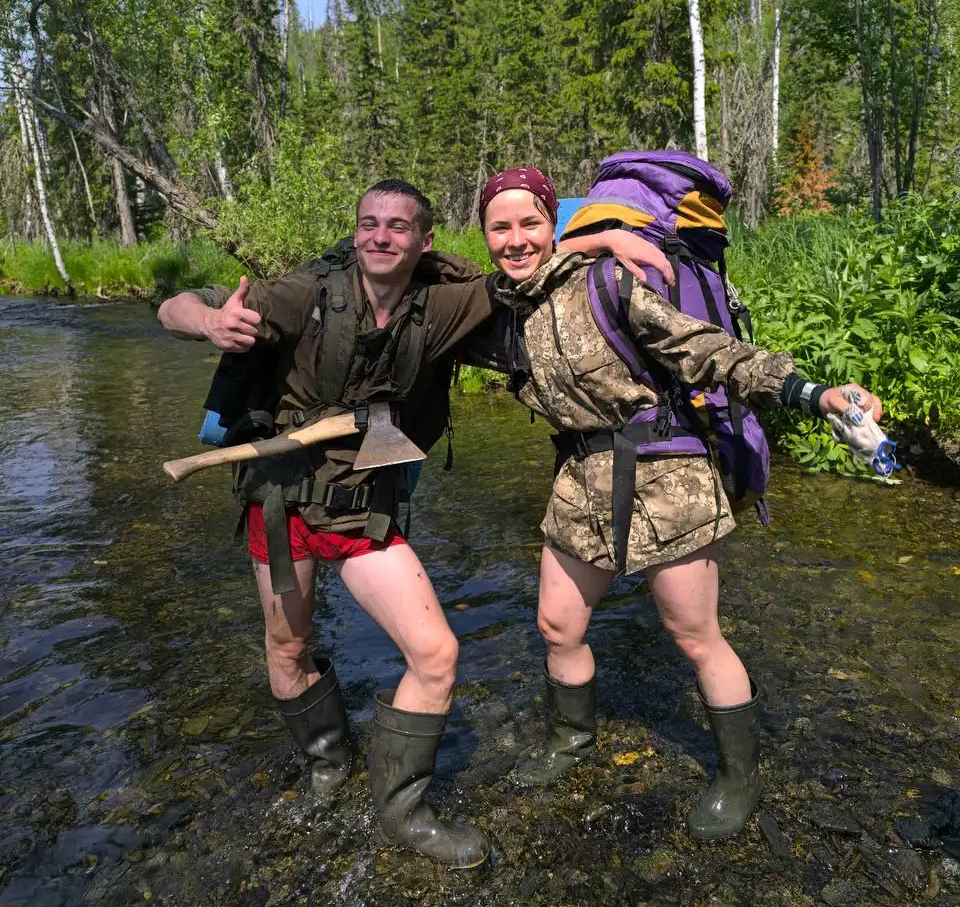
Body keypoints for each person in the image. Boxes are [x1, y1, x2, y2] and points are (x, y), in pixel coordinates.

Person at [158, 178, 669, 868]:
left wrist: (601, 237)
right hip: (279, 506)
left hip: (360, 510)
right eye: (369, 223)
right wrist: (208, 323)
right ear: (356, 231)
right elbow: (174, 307)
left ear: (424, 240)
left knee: (436, 655)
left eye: (398, 226)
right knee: (286, 647)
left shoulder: (447, 303)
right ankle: (327, 765)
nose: (380, 236)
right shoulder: (305, 294)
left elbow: (524, 266)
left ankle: (401, 812)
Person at [473, 166, 882, 841]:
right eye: (500, 227)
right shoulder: (499, 309)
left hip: (666, 474)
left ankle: (739, 774)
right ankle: (572, 738)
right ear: (485, 235)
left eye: (530, 224)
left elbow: (706, 351)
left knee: (694, 636)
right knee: (557, 626)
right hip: (578, 480)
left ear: (552, 222)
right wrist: (591, 237)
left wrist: (814, 394)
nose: (515, 239)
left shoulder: (609, 282)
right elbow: (418, 279)